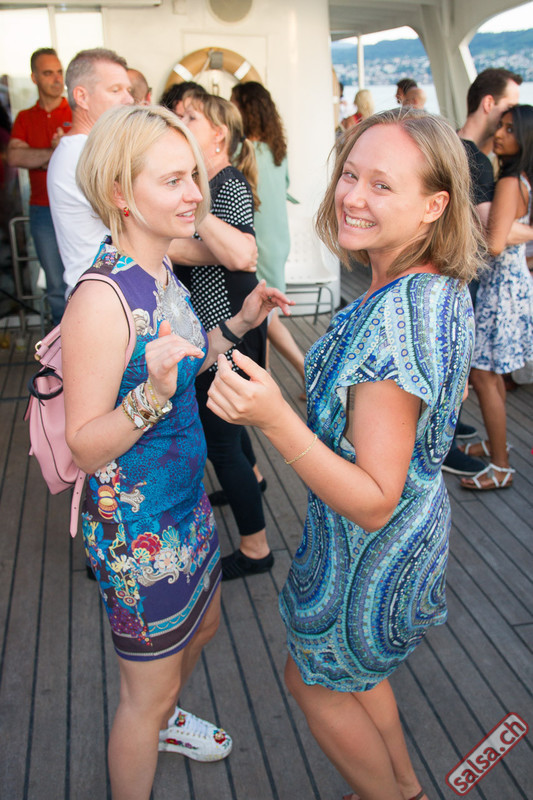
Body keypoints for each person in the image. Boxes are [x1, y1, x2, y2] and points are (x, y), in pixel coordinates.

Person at [207, 107, 481, 800]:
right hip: (408, 535)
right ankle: (404, 787)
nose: (353, 196)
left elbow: (373, 499)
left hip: (370, 552)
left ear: (433, 205)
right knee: (357, 677)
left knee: (314, 685)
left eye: (382, 185)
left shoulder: (395, 322)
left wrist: (274, 418)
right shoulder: (432, 284)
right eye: (350, 174)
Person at [62, 103, 291, 800]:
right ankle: (154, 724)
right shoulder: (101, 300)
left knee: (204, 626)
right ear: (120, 194)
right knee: (145, 694)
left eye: (194, 175)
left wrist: (239, 322)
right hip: (138, 530)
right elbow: (83, 445)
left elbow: (186, 359)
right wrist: (153, 395)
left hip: (186, 504)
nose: (195, 193)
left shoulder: (160, 272)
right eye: (173, 181)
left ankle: (164, 718)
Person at [171, 91, 273, 581]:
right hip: (222, 327)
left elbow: (240, 255)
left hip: (230, 327)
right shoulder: (211, 183)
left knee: (221, 442)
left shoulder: (225, 184)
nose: (179, 121)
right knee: (229, 429)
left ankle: (256, 549)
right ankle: (253, 479)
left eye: (190, 117)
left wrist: (175, 236)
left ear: (218, 134)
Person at [443, 67, 529, 477]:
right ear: (489, 103)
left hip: (467, 275)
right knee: (470, 370)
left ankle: (462, 438)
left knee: (473, 370)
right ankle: (454, 446)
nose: (511, 120)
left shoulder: (449, 146)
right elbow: (493, 233)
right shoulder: (477, 161)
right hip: (470, 278)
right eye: (509, 109)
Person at [461, 105, 533, 491]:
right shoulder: (523, 181)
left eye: (510, 129)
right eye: (501, 127)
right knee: (492, 373)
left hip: (499, 288)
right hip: (514, 283)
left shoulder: (508, 182)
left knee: (484, 376)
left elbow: (493, 243)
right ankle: (495, 443)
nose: (500, 134)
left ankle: (501, 466)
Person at [230, 81, 306, 398]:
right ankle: (273, 375)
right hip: (277, 239)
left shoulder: (241, 152)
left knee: (265, 313)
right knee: (268, 312)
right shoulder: (277, 151)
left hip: (257, 240)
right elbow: (284, 186)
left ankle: (288, 374)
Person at [47, 48, 133, 295]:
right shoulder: (83, 154)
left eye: (128, 90)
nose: (128, 99)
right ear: (82, 97)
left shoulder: (88, 150)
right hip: (102, 297)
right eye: (115, 90)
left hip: (108, 291)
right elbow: (140, 227)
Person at [7, 48, 71, 324]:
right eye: (48, 73)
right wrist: (57, 152)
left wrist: (38, 157)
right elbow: (15, 157)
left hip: (77, 209)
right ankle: (61, 344)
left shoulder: (75, 111)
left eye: (59, 72)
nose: (57, 79)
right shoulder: (25, 117)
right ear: (34, 78)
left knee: (85, 277)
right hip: (42, 210)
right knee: (55, 286)